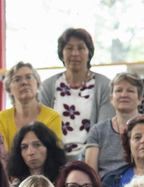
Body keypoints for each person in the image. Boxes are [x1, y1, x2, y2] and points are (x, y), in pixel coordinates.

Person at [40, 28, 114, 160]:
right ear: (62, 54)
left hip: (92, 158)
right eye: (69, 48)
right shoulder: (47, 86)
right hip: (54, 159)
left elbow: (104, 131)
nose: (75, 53)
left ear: (89, 53)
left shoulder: (104, 85)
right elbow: (42, 130)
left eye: (81, 48)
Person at [84, 73, 144, 178]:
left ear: (140, 98)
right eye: (119, 90)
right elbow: (91, 175)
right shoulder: (98, 131)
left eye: (130, 90)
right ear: (111, 98)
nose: (124, 95)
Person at [0, 63, 64, 147]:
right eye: (17, 79)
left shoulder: (52, 117)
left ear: (37, 84)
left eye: (29, 77)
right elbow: (0, 156)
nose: (24, 82)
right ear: (9, 90)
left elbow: (54, 154)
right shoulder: (0, 119)